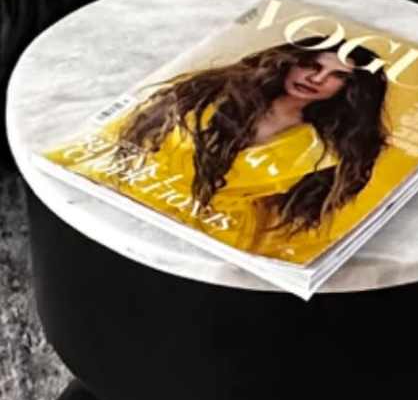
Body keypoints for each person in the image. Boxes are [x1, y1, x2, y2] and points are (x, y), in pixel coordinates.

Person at [91, 37, 391, 263]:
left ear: (350, 89)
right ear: (290, 61)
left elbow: (287, 219)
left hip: (223, 234)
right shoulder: (212, 94)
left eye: (337, 76)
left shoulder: (324, 151)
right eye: (311, 65)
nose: (316, 79)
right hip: (139, 193)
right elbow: (133, 134)